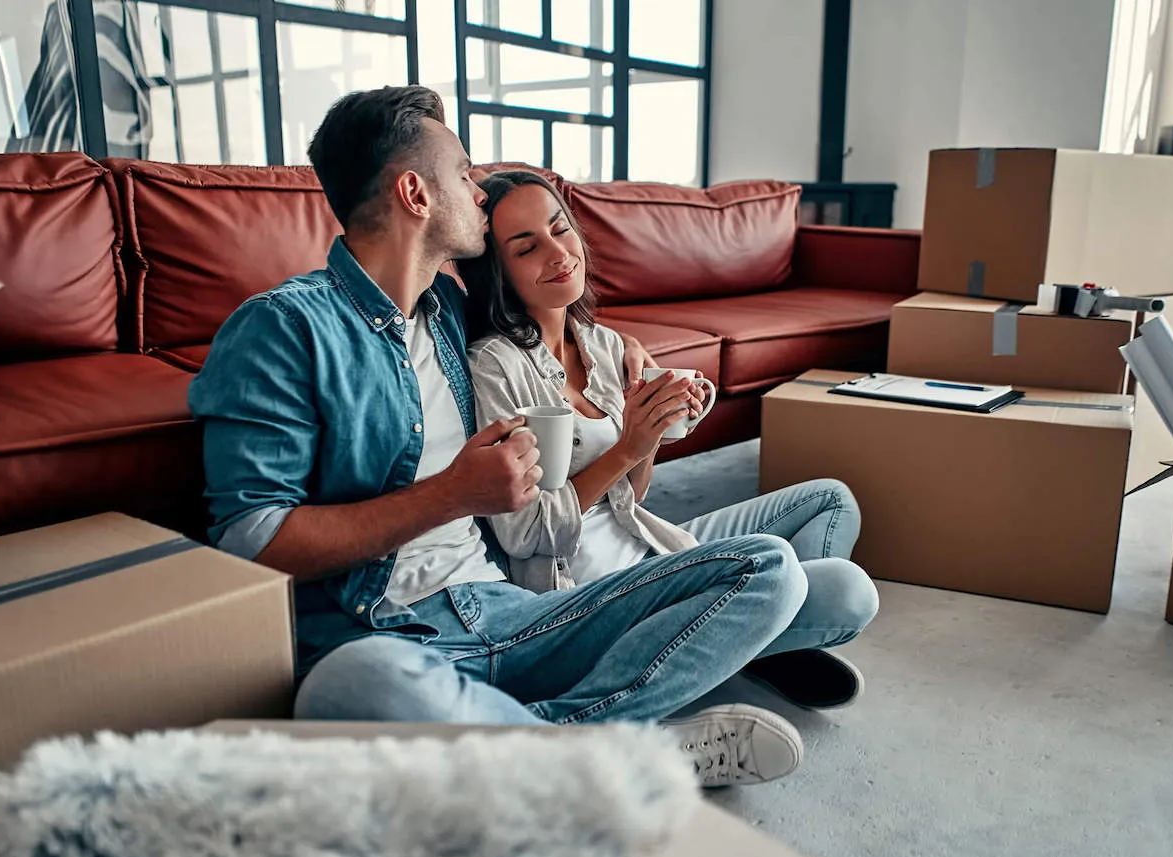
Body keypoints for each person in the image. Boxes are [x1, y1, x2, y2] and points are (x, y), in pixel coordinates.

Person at [187, 85, 818, 787]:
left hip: (520, 612)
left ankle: (547, 745)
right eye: (463, 174)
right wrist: (450, 495)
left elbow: (552, 324)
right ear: (415, 194)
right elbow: (249, 541)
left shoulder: (451, 311)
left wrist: (625, 352)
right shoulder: (283, 328)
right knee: (350, 686)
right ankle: (613, 749)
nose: (479, 193)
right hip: (392, 634)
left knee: (767, 568)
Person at [459, 170, 879, 710]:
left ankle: (745, 639)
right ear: (498, 272)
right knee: (846, 591)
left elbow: (632, 496)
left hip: (646, 540)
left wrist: (653, 430)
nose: (558, 253)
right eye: (526, 247)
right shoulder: (495, 366)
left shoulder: (604, 345)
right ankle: (742, 634)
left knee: (830, 499)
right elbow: (524, 535)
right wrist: (627, 447)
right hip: (589, 585)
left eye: (560, 229)